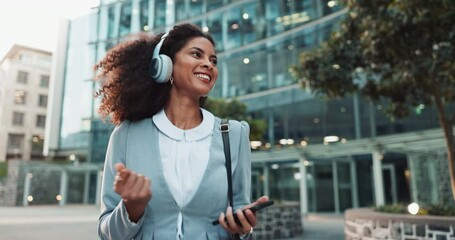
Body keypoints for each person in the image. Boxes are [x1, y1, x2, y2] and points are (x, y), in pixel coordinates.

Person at [95, 22, 269, 240]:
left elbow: (240, 211)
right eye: (197, 54)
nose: (208, 64)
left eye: (213, 60)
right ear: (165, 64)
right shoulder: (127, 135)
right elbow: (106, 233)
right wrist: (131, 208)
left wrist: (242, 227)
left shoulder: (234, 134)